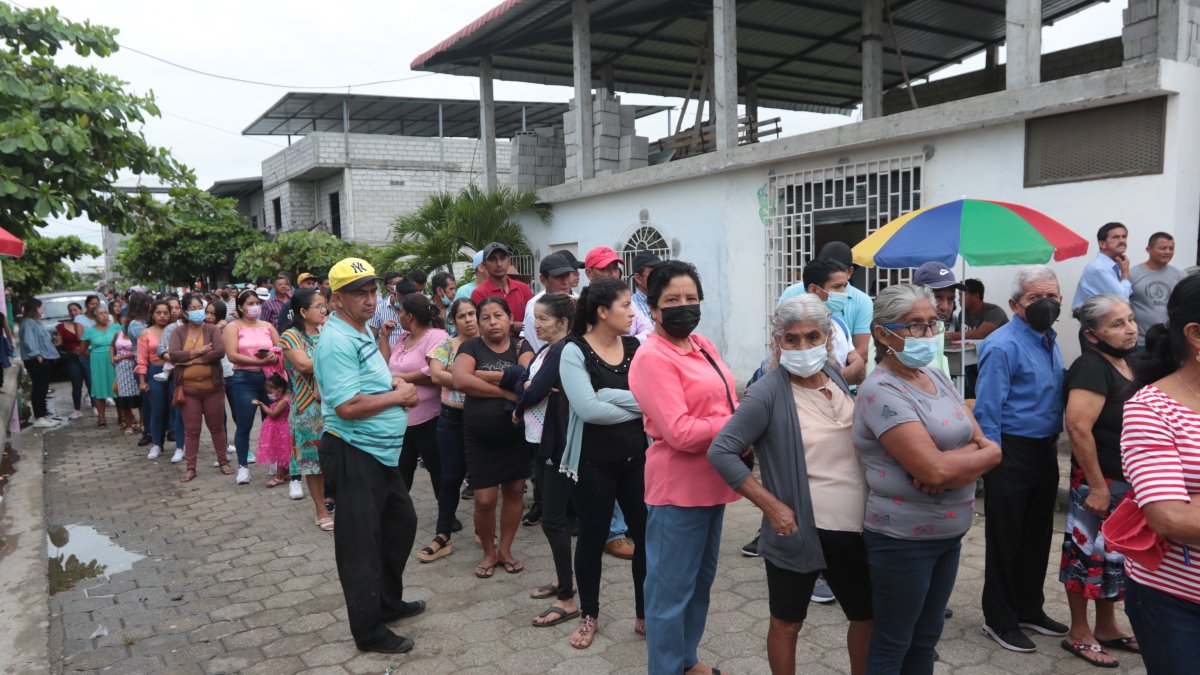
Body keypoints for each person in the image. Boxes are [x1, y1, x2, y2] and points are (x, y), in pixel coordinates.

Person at [708, 295, 873, 675]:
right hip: (800, 531)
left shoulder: (832, 372)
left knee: (866, 616)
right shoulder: (768, 391)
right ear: (777, 341)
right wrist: (772, 507)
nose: (803, 347)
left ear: (827, 337)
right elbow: (722, 452)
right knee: (788, 621)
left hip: (855, 530)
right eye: (792, 339)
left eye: (812, 337)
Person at [855, 284, 1001, 672]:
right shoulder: (880, 390)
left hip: (948, 534)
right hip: (903, 540)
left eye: (932, 324)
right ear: (884, 334)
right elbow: (932, 469)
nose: (927, 334)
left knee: (926, 638)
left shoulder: (936, 374)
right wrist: (964, 461)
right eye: (914, 326)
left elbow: (983, 441)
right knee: (894, 641)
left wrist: (965, 462)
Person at [628, 260, 738, 675]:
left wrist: (740, 419)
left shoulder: (701, 344)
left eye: (691, 298)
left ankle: (686, 659)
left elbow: (725, 401)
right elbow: (680, 432)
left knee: (698, 586)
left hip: (715, 482)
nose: (684, 306)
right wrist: (741, 424)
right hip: (678, 489)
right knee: (669, 593)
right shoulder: (651, 357)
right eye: (672, 299)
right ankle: (666, 667)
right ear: (653, 308)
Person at [314, 257, 423, 654]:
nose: (369, 298)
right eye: (359, 292)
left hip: (379, 454)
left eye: (373, 291)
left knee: (400, 525)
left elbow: (371, 380)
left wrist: (393, 382)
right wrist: (400, 396)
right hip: (352, 451)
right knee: (360, 546)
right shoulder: (338, 339)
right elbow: (345, 406)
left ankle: (387, 603)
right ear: (337, 298)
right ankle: (369, 630)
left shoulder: (359, 331)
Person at [974, 265, 1070, 652]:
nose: (1045, 304)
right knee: (1006, 538)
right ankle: (999, 619)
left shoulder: (1049, 337)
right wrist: (993, 460)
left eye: (1052, 297)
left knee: (1037, 534)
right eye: (1034, 298)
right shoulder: (1002, 345)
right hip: (1010, 451)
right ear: (1015, 304)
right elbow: (988, 410)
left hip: (1044, 450)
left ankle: (1030, 608)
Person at [558, 278, 648, 649]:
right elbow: (588, 410)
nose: (632, 312)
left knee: (645, 537)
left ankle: (645, 613)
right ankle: (589, 615)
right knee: (593, 541)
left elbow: (653, 399)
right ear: (601, 311)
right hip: (594, 463)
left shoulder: (635, 346)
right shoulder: (573, 351)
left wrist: (610, 394)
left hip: (637, 459)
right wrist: (636, 405)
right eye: (626, 305)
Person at [1119, 273, 1200, 673]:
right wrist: (1183, 509)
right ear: (1195, 334)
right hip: (1178, 601)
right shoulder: (1151, 409)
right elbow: (1169, 516)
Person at [1055, 295, 1140, 668]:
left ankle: (1106, 626)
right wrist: (1099, 487)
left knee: (1113, 558)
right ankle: (1078, 631)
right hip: (1098, 481)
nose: (1130, 328)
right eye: (1117, 324)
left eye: (1130, 319)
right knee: (1085, 556)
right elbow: (1077, 427)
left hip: (1124, 482)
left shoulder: (1127, 363)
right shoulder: (1091, 367)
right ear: (1092, 335)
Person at [451, 297, 534, 579]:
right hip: (480, 437)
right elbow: (460, 380)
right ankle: (488, 551)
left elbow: (523, 375)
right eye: (484, 317)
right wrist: (504, 389)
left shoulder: (522, 346)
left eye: (498, 315)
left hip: (516, 436)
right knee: (485, 499)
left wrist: (482, 376)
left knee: (514, 491)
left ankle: (506, 550)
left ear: (510, 318)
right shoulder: (470, 346)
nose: (492, 322)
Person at [513, 293, 578, 626]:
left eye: (543, 319)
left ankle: (567, 598)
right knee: (554, 518)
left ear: (563, 322)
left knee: (554, 519)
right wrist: (526, 386)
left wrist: (524, 391)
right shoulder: (547, 348)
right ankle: (562, 579)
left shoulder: (564, 349)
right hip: (541, 441)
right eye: (535, 318)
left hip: (556, 444)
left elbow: (534, 390)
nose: (536, 324)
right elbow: (527, 382)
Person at [423, 298, 480, 564]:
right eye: (462, 316)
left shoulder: (490, 344)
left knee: (484, 480)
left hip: (484, 419)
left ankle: (485, 531)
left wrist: (455, 376)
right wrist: (472, 378)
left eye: (472, 314)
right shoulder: (446, 346)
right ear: (453, 321)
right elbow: (436, 375)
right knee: (449, 479)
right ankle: (443, 534)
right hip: (451, 419)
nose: (469, 319)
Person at [381, 294, 449, 502]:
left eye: (400, 311)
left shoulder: (437, 336)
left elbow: (433, 372)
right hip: (401, 417)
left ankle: (446, 518)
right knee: (402, 469)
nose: (398, 316)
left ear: (409, 315)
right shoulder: (402, 339)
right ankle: (397, 514)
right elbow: (384, 367)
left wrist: (399, 377)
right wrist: (384, 337)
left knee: (437, 468)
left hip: (429, 417)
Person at [278, 289, 333, 529]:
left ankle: (334, 500)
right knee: (312, 462)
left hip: (334, 404)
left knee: (335, 458)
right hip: (307, 408)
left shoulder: (329, 331)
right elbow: (303, 365)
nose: (324, 310)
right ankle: (321, 510)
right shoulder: (290, 337)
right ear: (303, 312)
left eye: (325, 305)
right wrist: (337, 356)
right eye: (319, 306)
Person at [780, 241, 873, 369]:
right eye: (826, 266)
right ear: (813, 290)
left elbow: (862, 350)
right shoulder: (792, 293)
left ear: (849, 271)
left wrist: (836, 376)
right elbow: (779, 338)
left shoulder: (846, 319)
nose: (842, 292)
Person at [167, 293, 230, 483]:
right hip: (188, 390)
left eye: (199, 307)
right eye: (192, 309)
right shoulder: (178, 332)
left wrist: (193, 360)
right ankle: (190, 467)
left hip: (213, 388)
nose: (197, 311)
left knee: (217, 427)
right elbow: (174, 355)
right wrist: (199, 351)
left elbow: (219, 351)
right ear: (185, 313)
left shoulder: (212, 329)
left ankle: (223, 461)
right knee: (192, 430)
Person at [225, 289, 281, 485]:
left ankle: (274, 461)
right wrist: (259, 363)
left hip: (270, 382)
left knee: (273, 422)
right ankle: (243, 467)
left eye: (256, 302)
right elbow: (232, 355)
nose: (254, 306)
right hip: (243, 380)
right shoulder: (233, 328)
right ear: (240, 307)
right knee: (244, 424)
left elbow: (279, 347)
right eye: (250, 303)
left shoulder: (268, 326)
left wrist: (274, 356)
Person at [790, 258, 865, 386]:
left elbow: (860, 376)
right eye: (837, 287)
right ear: (814, 289)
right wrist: (856, 366)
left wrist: (856, 366)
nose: (843, 293)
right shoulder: (799, 330)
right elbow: (815, 382)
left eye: (844, 286)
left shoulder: (839, 325)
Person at [946, 279, 1009, 398]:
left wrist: (946, 335)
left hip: (998, 366)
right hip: (973, 366)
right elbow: (962, 339)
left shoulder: (995, 312)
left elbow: (980, 334)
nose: (958, 299)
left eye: (962, 295)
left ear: (976, 296)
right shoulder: (962, 315)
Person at [1129, 231, 1186, 349]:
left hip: (1169, 342)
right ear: (1148, 250)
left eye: (1171, 248)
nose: (1168, 252)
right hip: (1139, 343)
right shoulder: (1132, 275)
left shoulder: (1180, 276)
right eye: (1163, 248)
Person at [585, 246, 652, 340]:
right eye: (605, 269)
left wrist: (629, 344)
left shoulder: (625, 297)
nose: (613, 274)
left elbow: (648, 329)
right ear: (589, 273)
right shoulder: (584, 304)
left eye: (615, 268)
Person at [521, 251, 580, 354]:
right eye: (558, 276)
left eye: (567, 275)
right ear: (543, 280)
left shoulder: (577, 300)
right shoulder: (535, 306)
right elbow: (536, 348)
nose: (565, 282)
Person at [470, 242, 535, 333]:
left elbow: (534, 321)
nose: (499, 264)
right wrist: (514, 325)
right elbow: (483, 326)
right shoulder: (479, 293)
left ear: (509, 262)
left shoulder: (523, 288)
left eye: (502, 258)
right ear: (484, 265)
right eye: (492, 259)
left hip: (526, 345)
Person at [136, 300, 173, 460]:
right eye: (159, 313)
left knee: (176, 409)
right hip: (154, 372)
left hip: (173, 372)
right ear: (153, 314)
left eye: (166, 313)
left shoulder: (175, 330)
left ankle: (182, 444)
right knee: (157, 410)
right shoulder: (146, 333)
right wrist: (142, 380)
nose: (162, 316)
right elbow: (142, 359)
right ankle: (157, 443)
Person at [19, 298, 61, 428]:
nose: (43, 309)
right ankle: (39, 417)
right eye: (41, 307)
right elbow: (29, 341)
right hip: (35, 360)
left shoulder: (36, 323)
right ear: (36, 308)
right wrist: (36, 355)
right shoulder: (28, 323)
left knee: (42, 388)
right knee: (39, 388)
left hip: (42, 358)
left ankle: (42, 415)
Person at [1073, 222, 1131, 309]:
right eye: (1116, 237)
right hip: (1095, 320)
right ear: (1102, 244)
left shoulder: (1112, 266)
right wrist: (1125, 275)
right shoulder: (1098, 267)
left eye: (1124, 236)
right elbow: (1122, 300)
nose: (1122, 240)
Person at [81, 304, 120, 428]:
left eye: (106, 312)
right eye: (101, 313)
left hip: (114, 360)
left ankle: (122, 415)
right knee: (99, 389)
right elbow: (83, 349)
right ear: (94, 318)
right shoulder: (89, 331)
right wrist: (93, 357)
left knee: (117, 388)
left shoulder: (116, 327)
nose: (105, 315)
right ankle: (101, 417)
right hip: (98, 361)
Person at [252, 374, 293, 488]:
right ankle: (286, 472)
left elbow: (273, 414)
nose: (269, 395)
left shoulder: (283, 401)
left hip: (280, 430)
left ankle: (279, 477)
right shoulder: (279, 400)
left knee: (281, 453)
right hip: (276, 429)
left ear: (279, 390)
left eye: (270, 392)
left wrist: (262, 405)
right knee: (280, 452)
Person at [110, 319, 142, 436]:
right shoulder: (118, 334)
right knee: (123, 396)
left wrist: (122, 357)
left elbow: (138, 351)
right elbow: (112, 346)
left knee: (139, 396)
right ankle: (128, 424)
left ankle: (142, 423)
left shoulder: (137, 334)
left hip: (134, 367)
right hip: (121, 370)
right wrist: (112, 358)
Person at [56, 303, 88, 420]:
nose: (73, 312)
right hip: (71, 357)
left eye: (75, 310)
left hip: (87, 356)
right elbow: (59, 342)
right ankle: (77, 409)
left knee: (90, 382)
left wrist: (83, 348)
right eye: (70, 310)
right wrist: (55, 342)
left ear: (81, 310)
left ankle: (96, 406)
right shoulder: (62, 326)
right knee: (76, 383)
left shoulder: (88, 323)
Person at [370, 278, 418, 348]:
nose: (406, 305)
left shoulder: (416, 310)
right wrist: (383, 334)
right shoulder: (378, 310)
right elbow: (371, 339)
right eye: (403, 301)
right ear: (394, 294)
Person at [630, 250, 662, 327]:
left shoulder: (666, 300)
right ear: (638, 278)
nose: (659, 276)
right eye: (653, 273)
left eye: (660, 272)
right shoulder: (631, 306)